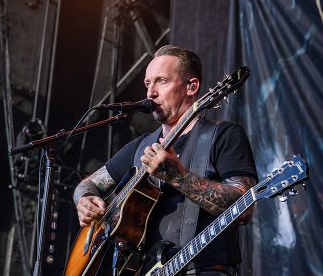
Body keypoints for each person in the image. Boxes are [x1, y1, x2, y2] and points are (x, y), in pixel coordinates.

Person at [73, 45, 257, 276]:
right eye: (148, 84)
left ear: (192, 86)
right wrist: (85, 199)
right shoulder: (140, 146)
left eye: (161, 81)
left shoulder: (222, 136)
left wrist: (178, 177)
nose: (150, 93)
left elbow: (244, 209)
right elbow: (88, 184)